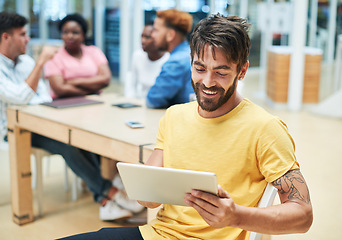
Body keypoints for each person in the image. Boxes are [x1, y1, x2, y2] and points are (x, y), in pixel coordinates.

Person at [57, 14, 313, 240]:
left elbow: (302, 215)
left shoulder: (265, 128)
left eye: (221, 72)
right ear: (190, 62)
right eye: (199, 68)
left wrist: (236, 216)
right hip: (159, 234)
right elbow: (149, 198)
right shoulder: (173, 117)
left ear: (242, 70)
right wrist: (144, 190)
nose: (207, 82)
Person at [0, 12, 143, 222]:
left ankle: (105, 199)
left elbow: (42, 96)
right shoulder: (32, 63)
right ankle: (110, 193)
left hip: (40, 121)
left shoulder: (25, 63)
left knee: (85, 136)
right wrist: (41, 63)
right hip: (14, 129)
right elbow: (20, 98)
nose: (28, 39)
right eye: (22, 34)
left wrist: (62, 84)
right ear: (6, 37)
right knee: (67, 143)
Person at [44, 13, 110, 98]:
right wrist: (92, 90)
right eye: (65, 32)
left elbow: (105, 79)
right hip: (63, 104)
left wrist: (73, 81)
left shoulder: (94, 51)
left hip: (93, 101)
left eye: (75, 32)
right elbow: (59, 89)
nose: (70, 36)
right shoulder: (54, 57)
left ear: (83, 36)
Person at [146, 9, 194, 109]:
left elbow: (153, 100)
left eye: (156, 30)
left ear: (170, 35)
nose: (152, 35)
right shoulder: (190, 53)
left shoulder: (176, 62)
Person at [124, 22, 169, 99]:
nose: (142, 41)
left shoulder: (169, 59)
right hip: (140, 103)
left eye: (147, 37)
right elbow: (131, 87)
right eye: (141, 36)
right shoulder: (137, 56)